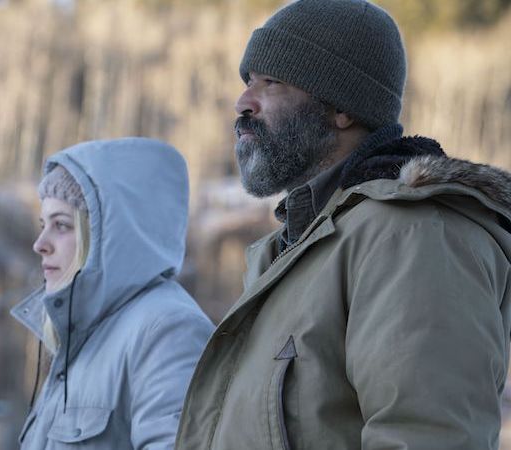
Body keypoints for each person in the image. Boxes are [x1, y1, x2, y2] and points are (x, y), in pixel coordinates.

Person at [175, 1, 511, 449]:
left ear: (342, 109)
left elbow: (429, 435)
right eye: (248, 81)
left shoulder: (413, 236)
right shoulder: (295, 246)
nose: (243, 102)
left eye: (271, 81)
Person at [11, 137, 214, 449]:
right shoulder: (86, 336)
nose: (40, 244)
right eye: (43, 225)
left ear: (108, 236)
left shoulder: (167, 331)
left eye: (61, 225)